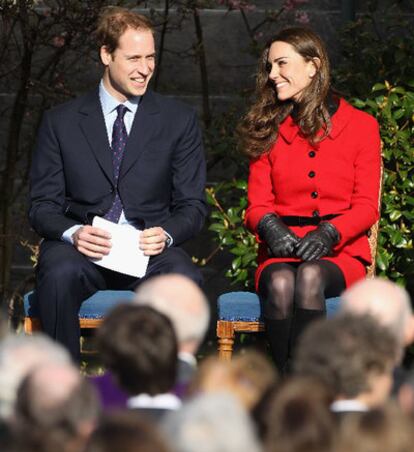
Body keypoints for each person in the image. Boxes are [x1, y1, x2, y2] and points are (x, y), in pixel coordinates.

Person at [29, 7, 207, 362]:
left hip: (148, 249)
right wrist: (73, 233)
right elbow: (41, 207)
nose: (145, 69)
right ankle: (62, 393)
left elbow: (193, 206)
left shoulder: (178, 121)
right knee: (59, 273)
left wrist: (166, 234)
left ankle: (161, 396)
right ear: (106, 55)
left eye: (151, 57)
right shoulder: (60, 122)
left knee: (185, 278)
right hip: (80, 250)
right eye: (134, 58)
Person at [239, 27, 382, 373]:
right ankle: (290, 384)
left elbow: (366, 205)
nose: (273, 75)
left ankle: (304, 383)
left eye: (281, 64)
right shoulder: (268, 127)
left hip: (341, 254)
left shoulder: (362, 126)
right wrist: (271, 229)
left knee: (311, 277)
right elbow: (257, 206)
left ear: (313, 66)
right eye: (270, 66)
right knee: (283, 280)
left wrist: (329, 233)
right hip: (281, 253)